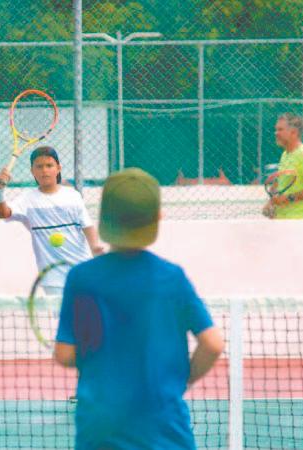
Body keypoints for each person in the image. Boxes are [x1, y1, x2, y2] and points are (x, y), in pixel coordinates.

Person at [54, 168, 224, 450]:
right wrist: (180, 382)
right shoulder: (172, 277)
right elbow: (213, 344)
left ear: (103, 218)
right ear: (158, 217)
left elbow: (65, 354)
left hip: (100, 430)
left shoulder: (81, 278)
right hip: (165, 430)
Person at [0, 146, 104, 294]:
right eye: (39, 167)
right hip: (52, 279)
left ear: (58, 168)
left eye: (49, 165)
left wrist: (95, 247)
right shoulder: (26, 199)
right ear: (32, 171)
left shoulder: (72, 196)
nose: (44, 170)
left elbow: (87, 225)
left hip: (81, 272)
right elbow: (3, 213)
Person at [263, 113, 303, 219]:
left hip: (300, 220)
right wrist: (271, 203)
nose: (276, 133)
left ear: (293, 132)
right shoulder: (285, 155)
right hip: (282, 219)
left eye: (280, 130)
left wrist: (288, 198)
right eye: (276, 129)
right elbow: (279, 183)